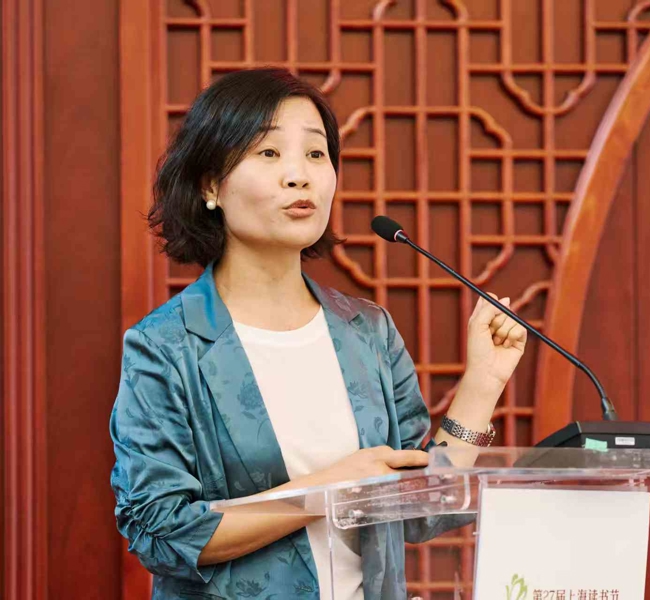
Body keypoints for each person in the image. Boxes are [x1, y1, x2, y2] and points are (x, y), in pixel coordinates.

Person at [109, 68, 527, 599]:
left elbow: (420, 509)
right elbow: (160, 531)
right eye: (268, 153)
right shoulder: (167, 346)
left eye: (315, 153)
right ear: (211, 185)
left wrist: (483, 384)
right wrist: (329, 487)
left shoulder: (367, 330)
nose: (299, 176)